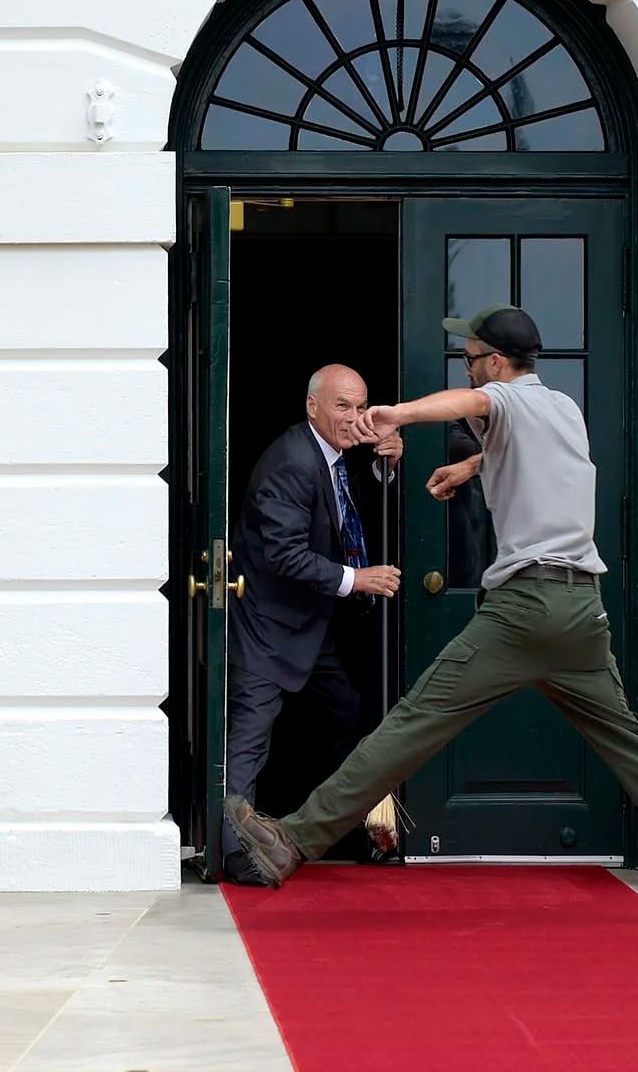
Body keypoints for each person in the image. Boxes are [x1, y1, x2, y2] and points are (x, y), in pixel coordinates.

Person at [226, 306, 638, 924]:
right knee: (632, 749)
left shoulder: (501, 399)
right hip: (581, 612)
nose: (466, 373)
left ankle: (292, 841)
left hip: (525, 609)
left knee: (412, 724)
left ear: (494, 363)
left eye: (468, 361)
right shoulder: (564, 408)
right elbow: (550, 468)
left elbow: (462, 408)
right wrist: (472, 466)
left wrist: (397, 413)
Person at [220, 364, 404, 885]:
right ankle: (238, 856)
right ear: (312, 406)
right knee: (249, 740)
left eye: (360, 406)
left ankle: (362, 833)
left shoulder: (333, 458)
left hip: (312, 627)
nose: (354, 417)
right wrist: (357, 579)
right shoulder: (291, 462)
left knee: (347, 715)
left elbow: (344, 514)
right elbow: (284, 554)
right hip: (269, 627)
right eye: (342, 406)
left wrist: (383, 469)